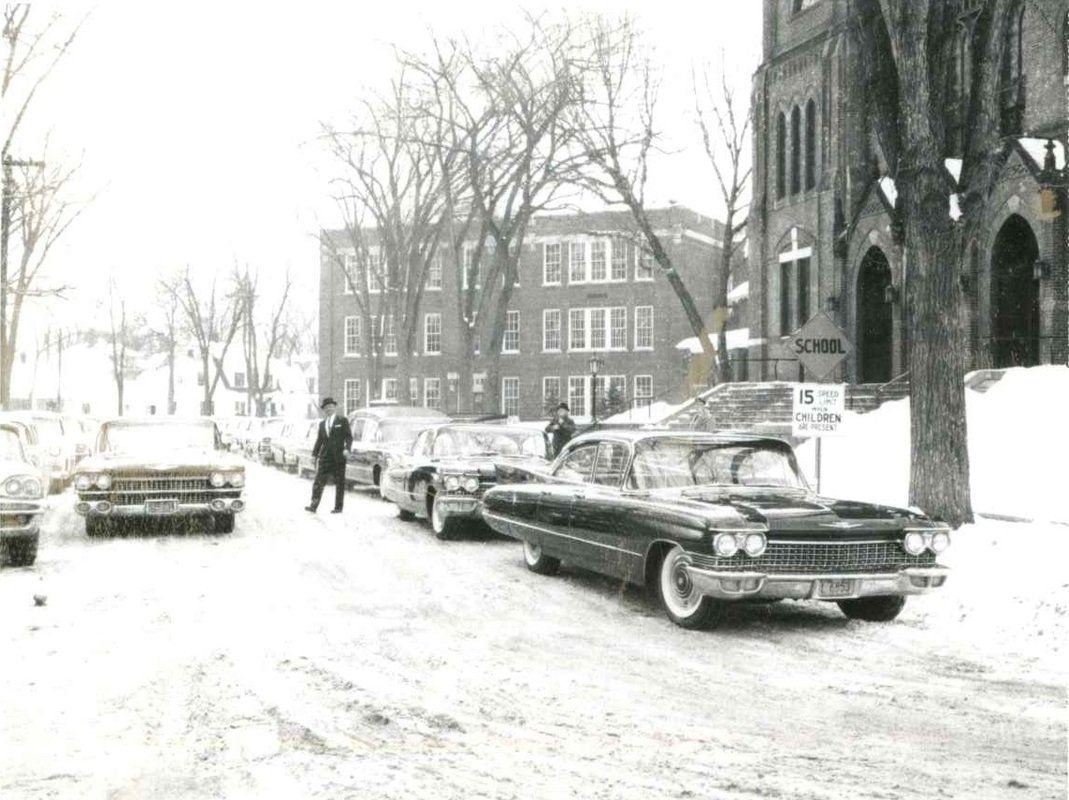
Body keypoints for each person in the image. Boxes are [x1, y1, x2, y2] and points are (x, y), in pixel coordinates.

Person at [306, 397, 353, 514]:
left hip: (338, 457)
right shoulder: (322, 424)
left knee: (340, 482)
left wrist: (347, 449)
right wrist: (314, 455)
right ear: (324, 410)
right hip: (325, 457)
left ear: (334, 407)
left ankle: (338, 507)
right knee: (318, 481)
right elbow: (319, 441)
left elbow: (349, 437)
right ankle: (313, 505)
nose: (329, 409)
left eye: (331, 407)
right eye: (326, 408)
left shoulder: (342, 421)